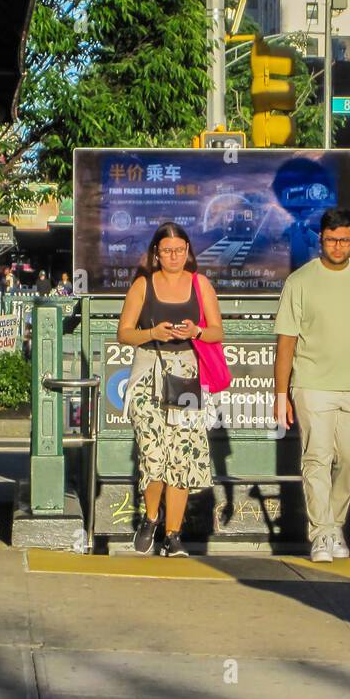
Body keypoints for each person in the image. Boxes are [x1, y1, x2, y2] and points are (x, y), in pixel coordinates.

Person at [274, 208, 350, 563]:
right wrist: (281, 394)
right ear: (320, 240)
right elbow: (286, 342)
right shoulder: (299, 281)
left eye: (344, 240)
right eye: (331, 240)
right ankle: (322, 533)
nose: (338, 246)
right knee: (316, 458)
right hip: (311, 384)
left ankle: (334, 525)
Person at [117, 223, 222, 557]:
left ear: (188, 250)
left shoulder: (200, 284)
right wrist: (153, 333)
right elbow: (124, 333)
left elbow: (217, 331)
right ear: (155, 253)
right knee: (153, 453)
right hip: (149, 371)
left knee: (183, 455)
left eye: (179, 250)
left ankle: (173, 534)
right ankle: (150, 518)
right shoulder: (143, 285)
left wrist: (196, 331)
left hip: (186, 373)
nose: (173, 256)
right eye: (166, 251)